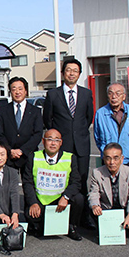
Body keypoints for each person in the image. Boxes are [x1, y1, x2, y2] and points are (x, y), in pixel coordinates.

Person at [43, 59, 94, 196]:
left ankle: (82, 214)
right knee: (61, 179)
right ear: (63, 73)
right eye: (68, 70)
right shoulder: (53, 94)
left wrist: (78, 131)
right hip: (62, 144)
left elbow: (88, 117)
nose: (72, 73)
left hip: (81, 144)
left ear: (79, 74)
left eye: (75, 71)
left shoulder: (86, 94)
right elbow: (48, 119)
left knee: (82, 179)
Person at [22, 129, 84, 241]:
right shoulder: (34, 157)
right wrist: (33, 202)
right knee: (30, 214)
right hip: (41, 201)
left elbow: (76, 182)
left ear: (61, 143)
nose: (53, 143)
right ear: (43, 141)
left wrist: (66, 197)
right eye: (49, 139)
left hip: (60, 200)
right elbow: (27, 182)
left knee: (78, 199)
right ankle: (39, 226)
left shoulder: (69, 158)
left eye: (56, 140)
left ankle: (71, 227)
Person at [88, 142, 129, 239]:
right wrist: (95, 206)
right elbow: (93, 193)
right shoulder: (97, 173)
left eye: (116, 158)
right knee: (91, 207)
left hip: (124, 207)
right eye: (108, 158)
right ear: (103, 158)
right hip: (107, 208)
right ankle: (104, 229)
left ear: (122, 159)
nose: (112, 162)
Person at [0, 76, 43, 170]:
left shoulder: (35, 111)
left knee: (29, 183)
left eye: (20, 89)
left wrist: (22, 151)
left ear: (26, 91)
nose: (17, 92)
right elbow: (0, 134)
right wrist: (10, 151)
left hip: (28, 155)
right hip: (9, 156)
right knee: (9, 183)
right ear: (10, 92)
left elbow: (37, 134)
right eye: (14, 89)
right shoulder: (3, 110)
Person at [93, 83, 129, 169]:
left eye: (118, 93)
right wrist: (104, 150)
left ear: (124, 96)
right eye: (110, 93)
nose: (114, 97)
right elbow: (97, 137)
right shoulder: (100, 113)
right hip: (109, 159)